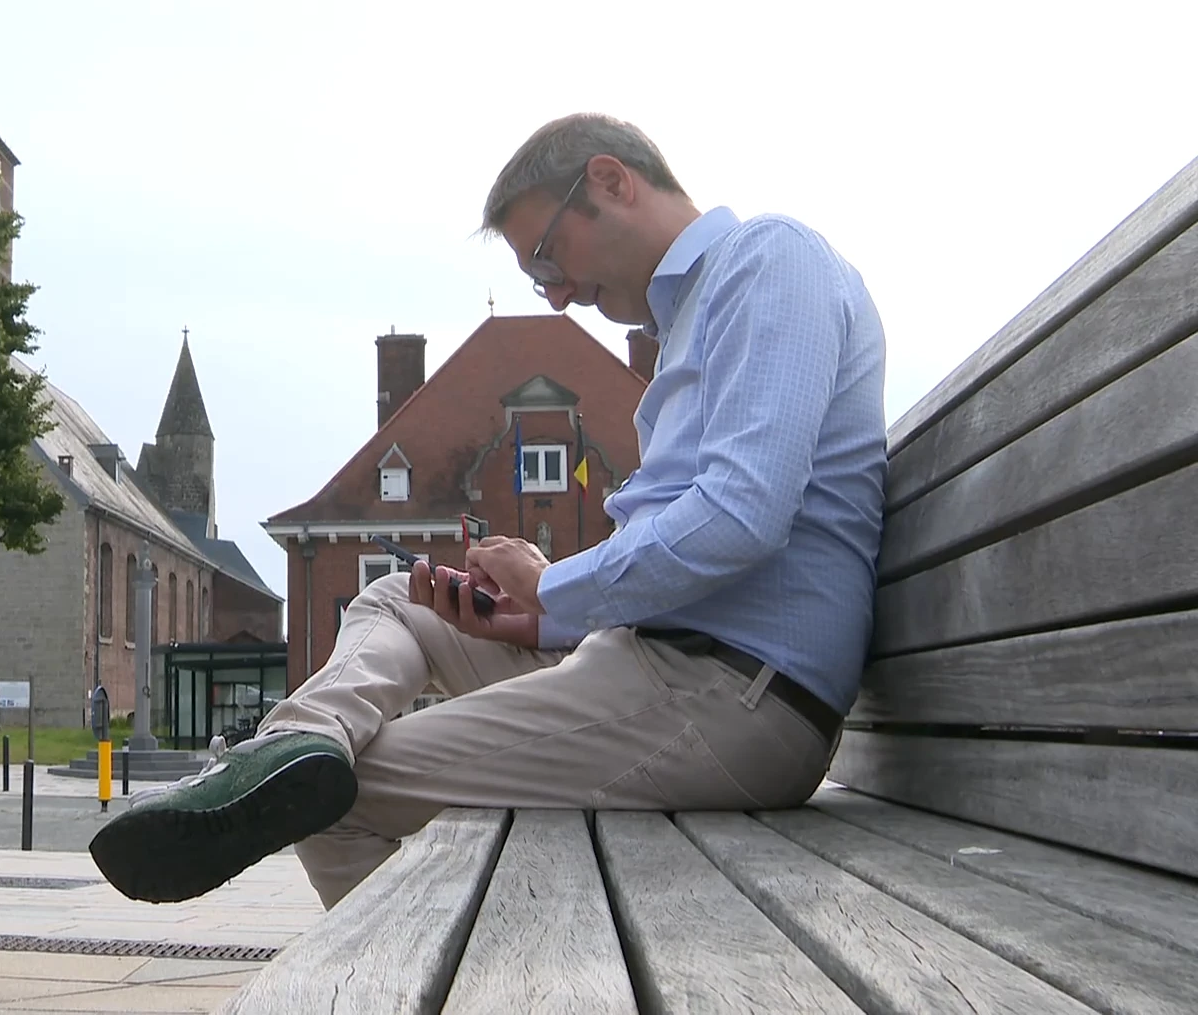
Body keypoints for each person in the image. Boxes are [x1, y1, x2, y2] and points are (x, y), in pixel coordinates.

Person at [88, 112, 888, 909]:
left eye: (549, 259)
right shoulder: (691, 325)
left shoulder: (769, 261)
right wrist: (543, 616)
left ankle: (443, 968)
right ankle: (301, 739)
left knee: (340, 801)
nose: (561, 296)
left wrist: (554, 591)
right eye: (543, 281)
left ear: (611, 182)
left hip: (735, 697)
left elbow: (743, 514)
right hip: (665, 664)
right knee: (399, 597)